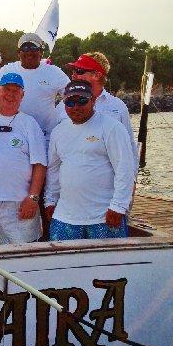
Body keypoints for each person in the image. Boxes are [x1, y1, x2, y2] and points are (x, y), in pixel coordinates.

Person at [44, 80, 136, 241]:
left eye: (82, 100)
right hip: (65, 217)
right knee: (63, 265)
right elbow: (53, 169)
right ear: (64, 103)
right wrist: (50, 201)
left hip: (104, 216)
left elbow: (125, 169)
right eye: (70, 102)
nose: (76, 106)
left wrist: (119, 206)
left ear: (93, 100)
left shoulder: (112, 127)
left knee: (110, 266)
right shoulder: (58, 131)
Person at [0, 73, 47, 246]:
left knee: (22, 257)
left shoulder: (29, 123)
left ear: (22, 95)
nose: (10, 94)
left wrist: (33, 198)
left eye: (15, 91)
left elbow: (40, 165)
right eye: (6, 89)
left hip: (19, 203)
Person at [57, 52, 139, 171]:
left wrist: (132, 180)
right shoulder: (62, 106)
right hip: (71, 183)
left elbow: (130, 147)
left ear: (96, 75)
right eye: (73, 71)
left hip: (108, 186)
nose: (73, 75)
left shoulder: (118, 107)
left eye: (79, 71)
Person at [0, 33, 69, 148]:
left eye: (34, 48)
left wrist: (63, 118)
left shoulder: (54, 72)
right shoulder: (8, 69)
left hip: (45, 138)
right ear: (18, 53)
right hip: (13, 136)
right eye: (25, 48)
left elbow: (71, 95)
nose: (29, 52)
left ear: (41, 52)